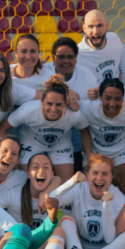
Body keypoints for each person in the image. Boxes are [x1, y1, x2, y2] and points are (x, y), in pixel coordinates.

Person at [46, 154, 125, 249]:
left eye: (105, 174)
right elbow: (50, 201)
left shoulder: (116, 195)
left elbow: (109, 239)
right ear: (87, 175)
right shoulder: (79, 188)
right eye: (95, 172)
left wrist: (106, 206)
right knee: (66, 219)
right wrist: (71, 181)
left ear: (112, 177)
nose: (99, 178)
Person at [0, 153, 66, 249]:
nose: (41, 171)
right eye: (35, 167)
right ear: (28, 173)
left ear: (52, 174)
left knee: (60, 230)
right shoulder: (13, 194)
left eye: (46, 168)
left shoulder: (57, 195)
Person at [0, 74, 92, 181]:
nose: (53, 109)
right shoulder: (28, 110)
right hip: (31, 143)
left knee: (67, 186)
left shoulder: (73, 114)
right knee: (25, 182)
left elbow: (85, 132)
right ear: (41, 102)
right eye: (49, 104)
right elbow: (3, 127)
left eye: (58, 104)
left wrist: (89, 158)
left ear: (65, 103)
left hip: (60, 145)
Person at [45, 37, 98, 172]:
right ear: (53, 57)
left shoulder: (86, 75)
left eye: (70, 57)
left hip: (75, 139)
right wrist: (66, 93)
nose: (66, 61)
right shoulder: (43, 72)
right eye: (61, 57)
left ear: (76, 58)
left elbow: (92, 110)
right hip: (44, 136)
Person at [81, 78, 125, 194]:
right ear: (100, 97)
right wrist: (89, 157)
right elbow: (83, 129)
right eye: (107, 98)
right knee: (94, 194)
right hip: (97, 153)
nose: (112, 104)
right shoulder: (87, 108)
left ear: (123, 99)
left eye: (118, 99)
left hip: (122, 152)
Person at [76, 10, 124, 84]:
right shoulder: (78, 54)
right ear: (84, 28)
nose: (95, 31)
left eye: (99, 26)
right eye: (90, 26)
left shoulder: (115, 40)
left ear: (107, 25)